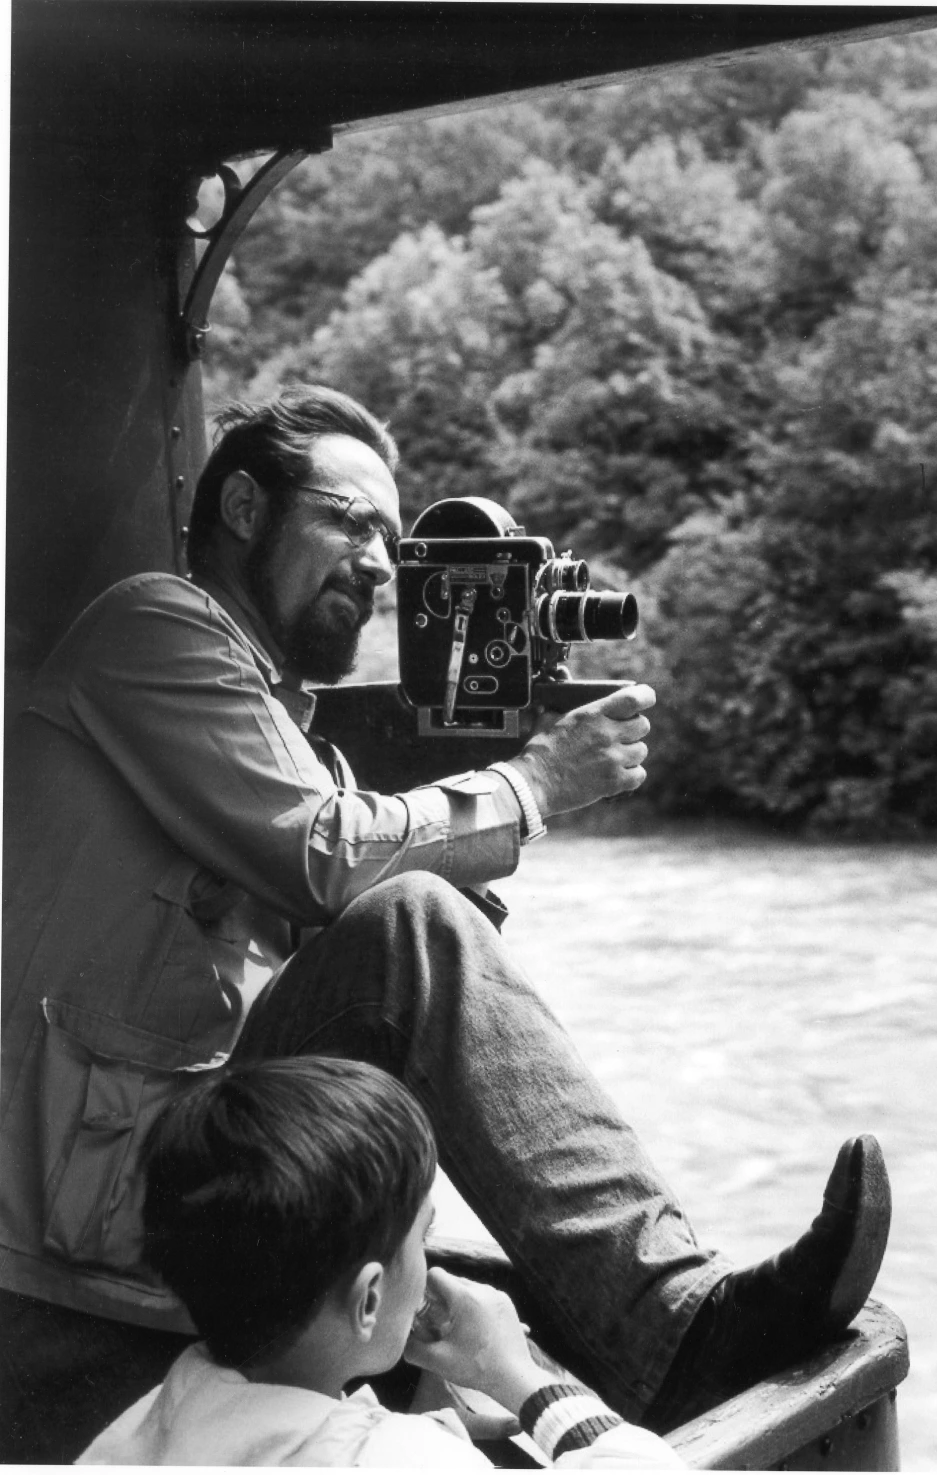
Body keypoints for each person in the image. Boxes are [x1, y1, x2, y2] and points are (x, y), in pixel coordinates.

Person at [0, 384, 891, 1462]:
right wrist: (533, 783)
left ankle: (654, 1311)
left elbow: (319, 904)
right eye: (351, 520)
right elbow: (326, 853)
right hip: (94, 1192)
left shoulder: (274, 713)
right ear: (242, 507)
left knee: (420, 933)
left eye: (392, 535)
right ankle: (671, 1323)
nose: (380, 562)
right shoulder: (154, 623)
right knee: (413, 924)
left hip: (171, 1146)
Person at [77, 1056, 687, 1467]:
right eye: (423, 1238)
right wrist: (519, 1377)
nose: (427, 1263)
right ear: (369, 1299)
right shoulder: (401, 1459)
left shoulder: (134, 1428)